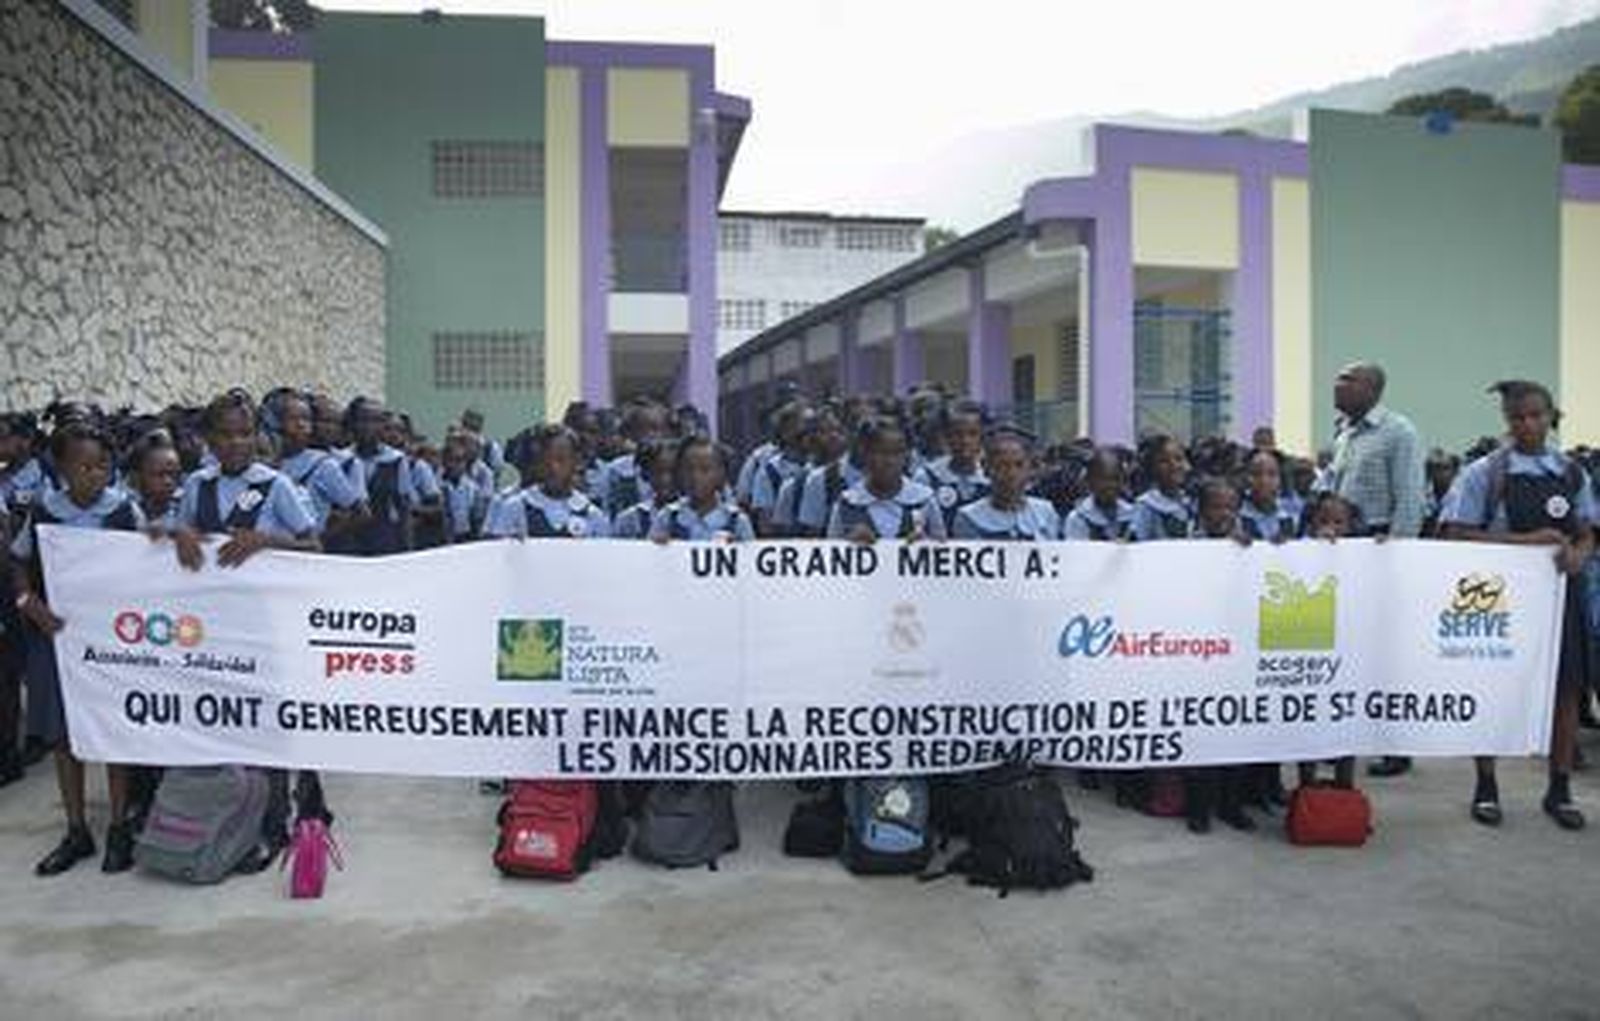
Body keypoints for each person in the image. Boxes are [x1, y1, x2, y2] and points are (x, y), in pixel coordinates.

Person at [1439, 381, 1595, 831]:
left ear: (1551, 415)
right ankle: (1486, 785)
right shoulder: (1485, 473)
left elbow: (1586, 530)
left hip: (1561, 596)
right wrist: (1524, 543)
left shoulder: (1571, 472)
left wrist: (1580, 554)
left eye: (1535, 415)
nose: (1527, 424)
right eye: (1517, 417)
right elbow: (1455, 533)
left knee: (1567, 690)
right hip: (1499, 601)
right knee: (1492, 690)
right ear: (1505, 421)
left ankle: (1559, 788)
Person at [10, 422, 146, 874]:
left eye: (103, 466)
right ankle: (76, 829)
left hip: (109, 641)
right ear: (62, 468)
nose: (95, 474)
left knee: (111, 730)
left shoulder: (124, 510)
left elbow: (149, 565)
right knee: (64, 737)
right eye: (83, 466)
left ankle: (120, 826)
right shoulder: (46, 511)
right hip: (57, 638)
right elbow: (18, 562)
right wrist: (29, 603)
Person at [1322, 362, 1425, 779]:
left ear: (1372, 389)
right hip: (1344, 548)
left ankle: (1395, 745)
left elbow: (1410, 495)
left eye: (1347, 379)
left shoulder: (1399, 431)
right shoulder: (1343, 431)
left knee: (1384, 653)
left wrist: (1397, 557)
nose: (1337, 384)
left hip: (1381, 547)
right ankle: (1345, 737)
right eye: (1338, 376)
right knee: (1345, 649)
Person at [1186, 479, 1259, 833]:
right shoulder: (1189, 546)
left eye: (1231, 506)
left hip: (1238, 647)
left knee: (1236, 729)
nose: (1224, 514)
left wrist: (1252, 550)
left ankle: (1231, 803)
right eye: (1216, 506)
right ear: (1201, 512)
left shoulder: (1247, 544)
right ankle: (1198, 806)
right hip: (1200, 650)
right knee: (1201, 732)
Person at [826, 418, 946, 542]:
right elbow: (828, 552)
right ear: (865, 453)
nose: (890, 461)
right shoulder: (847, 502)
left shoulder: (924, 499)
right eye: (881, 452)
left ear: (907, 455)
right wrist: (847, 544)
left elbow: (944, 547)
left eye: (898, 453)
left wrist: (927, 545)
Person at [483, 425, 611, 540]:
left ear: (576, 462)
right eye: (546, 460)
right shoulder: (516, 507)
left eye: (561, 459)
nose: (552, 467)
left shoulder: (592, 515)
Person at [335, 398, 415, 556]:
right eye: (363, 420)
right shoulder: (341, 459)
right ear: (353, 423)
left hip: (384, 540)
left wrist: (407, 548)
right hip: (347, 540)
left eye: (376, 421)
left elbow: (404, 507)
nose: (369, 427)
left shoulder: (396, 460)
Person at [950, 426, 1059, 540]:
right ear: (987, 469)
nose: (1011, 474)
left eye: (1019, 465)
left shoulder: (1046, 513)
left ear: (1030, 469)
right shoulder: (968, 517)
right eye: (1002, 466)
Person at [651, 436, 755, 543]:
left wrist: (738, 549)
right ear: (679, 473)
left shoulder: (737, 522)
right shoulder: (667, 518)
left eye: (705, 470)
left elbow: (749, 556)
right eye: (689, 469)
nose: (695, 477)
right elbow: (647, 556)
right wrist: (658, 547)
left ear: (720, 475)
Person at [916, 401, 990, 535]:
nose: (965, 441)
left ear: (982, 437)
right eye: (957, 434)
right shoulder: (927, 477)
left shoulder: (991, 477)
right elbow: (918, 525)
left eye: (973, 434)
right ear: (945, 437)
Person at [1063, 449, 1136, 541]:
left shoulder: (1133, 514)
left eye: (1116, 479)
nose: (1110, 485)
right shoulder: (1077, 519)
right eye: (1102, 479)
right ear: (1089, 481)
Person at [612, 439, 679, 541]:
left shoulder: (695, 516)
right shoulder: (629, 520)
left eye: (673, 471)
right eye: (658, 472)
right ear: (646, 474)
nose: (665, 479)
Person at [1131, 436, 1192, 542]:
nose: (1174, 465)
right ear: (1152, 468)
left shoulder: (1190, 502)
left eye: (1179, 459)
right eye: (1164, 461)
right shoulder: (1146, 506)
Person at [1238, 449, 1299, 543]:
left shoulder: (1291, 517)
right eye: (1256, 474)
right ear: (1246, 478)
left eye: (1272, 474)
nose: (1264, 481)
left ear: (1280, 479)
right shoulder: (1237, 516)